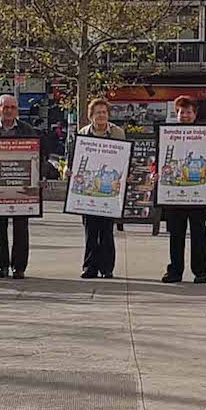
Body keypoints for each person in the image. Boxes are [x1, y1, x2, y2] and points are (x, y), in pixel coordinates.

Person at [0, 95, 50, 279]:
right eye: (5, 107)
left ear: (17, 110)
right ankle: (1, 266)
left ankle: (19, 267)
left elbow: (39, 157)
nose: (9, 110)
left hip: (22, 189)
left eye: (12, 107)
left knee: (21, 229)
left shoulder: (27, 130)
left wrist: (41, 177)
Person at [160, 95, 206, 284]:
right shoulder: (167, 134)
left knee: (198, 233)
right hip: (175, 197)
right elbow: (159, 158)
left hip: (198, 197)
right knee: (175, 234)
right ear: (176, 114)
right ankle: (175, 271)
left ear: (195, 114)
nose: (184, 115)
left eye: (188, 112)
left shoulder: (205, 134)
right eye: (181, 112)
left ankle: (201, 271)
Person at [73, 98, 125, 280]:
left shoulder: (118, 133)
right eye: (97, 113)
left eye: (104, 112)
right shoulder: (83, 134)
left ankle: (107, 268)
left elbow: (123, 159)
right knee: (90, 231)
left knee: (107, 231)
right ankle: (90, 267)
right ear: (91, 116)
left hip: (109, 190)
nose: (101, 115)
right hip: (89, 190)